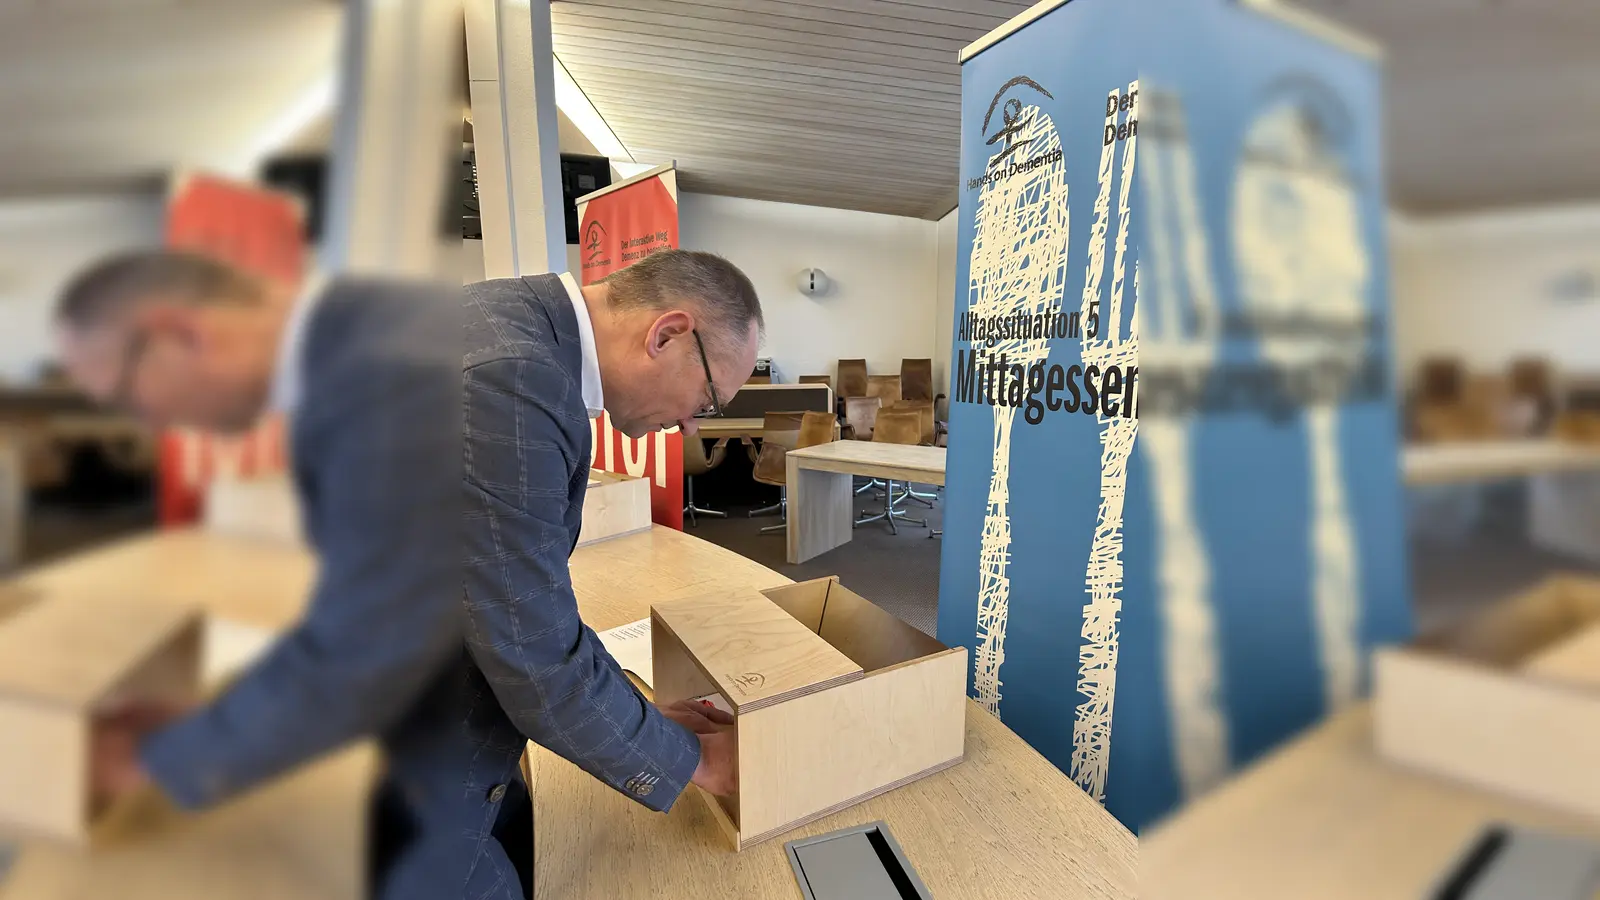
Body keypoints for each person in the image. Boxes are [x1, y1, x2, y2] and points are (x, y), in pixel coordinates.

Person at [54, 250, 463, 900]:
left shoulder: (386, 378)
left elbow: (367, 656)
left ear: (180, 333)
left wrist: (146, 761)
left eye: (127, 395)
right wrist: (214, 721)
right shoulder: (360, 349)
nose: (149, 425)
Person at [460, 249, 760, 898]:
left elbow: (522, 607)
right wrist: (698, 759)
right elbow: (532, 655)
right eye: (705, 400)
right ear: (667, 333)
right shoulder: (515, 379)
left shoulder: (515, 328)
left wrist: (643, 718)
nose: (688, 426)